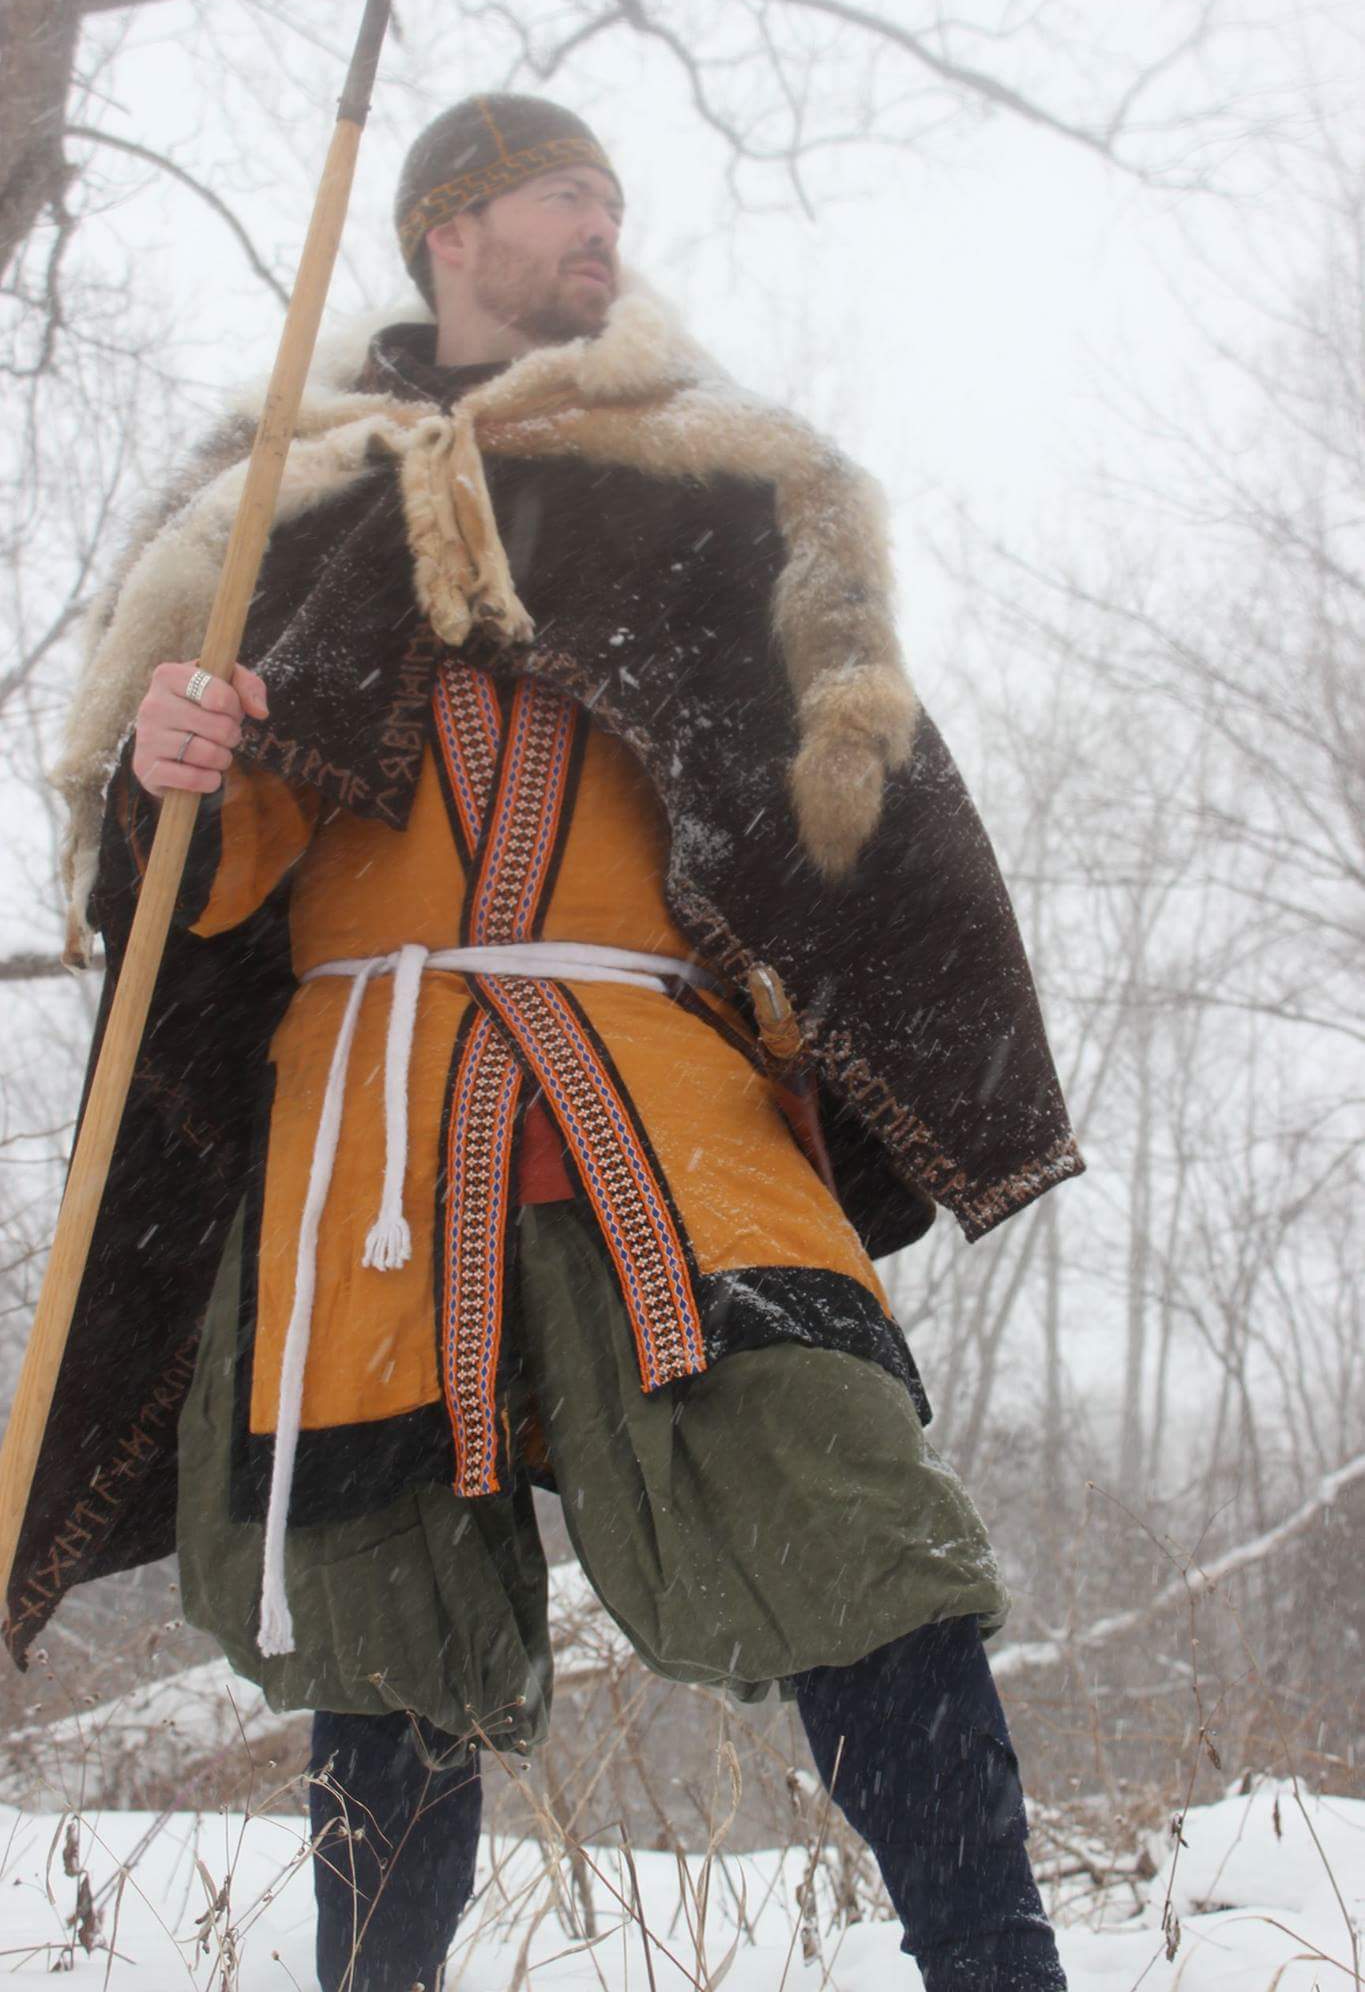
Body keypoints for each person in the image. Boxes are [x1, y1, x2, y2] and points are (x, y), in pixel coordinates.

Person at [12, 96, 1084, 1991]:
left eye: (612, 199)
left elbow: (829, 800)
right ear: (449, 228)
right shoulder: (274, 507)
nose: (603, 224)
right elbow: (193, 901)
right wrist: (181, 769)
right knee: (380, 1636)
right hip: (358, 1142)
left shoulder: (709, 485)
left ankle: (1000, 1969)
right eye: (561, 195)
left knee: (853, 1521)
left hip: (651, 1097)